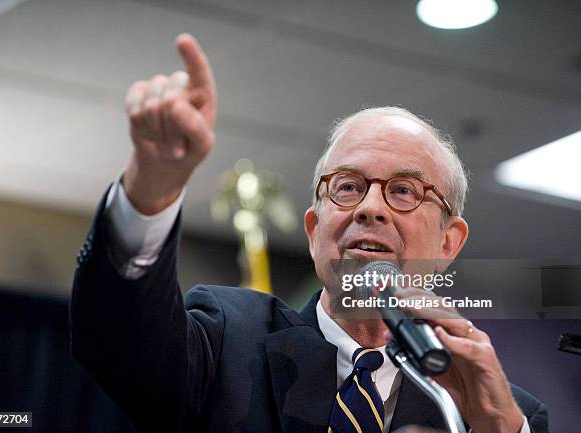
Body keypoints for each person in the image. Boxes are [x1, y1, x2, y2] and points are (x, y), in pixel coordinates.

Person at [70, 34, 548, 433]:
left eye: (403, 191)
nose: (369, 208)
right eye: (347, 187)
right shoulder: (227, 341)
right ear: (315, 229)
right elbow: (116, 340)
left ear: (449, 242)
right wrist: (151, 188)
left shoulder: (500, 414)